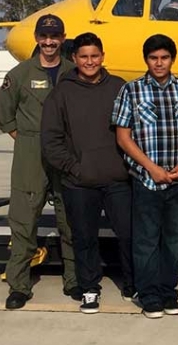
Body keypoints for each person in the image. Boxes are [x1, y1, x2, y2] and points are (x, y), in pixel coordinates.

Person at [41, 32, 132, 314]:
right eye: (84, 57)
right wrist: (74, 168)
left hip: (118, 180)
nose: (90, 61)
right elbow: (50, 140)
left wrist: (128, 165)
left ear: (103, 56)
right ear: (74, 59)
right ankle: (90, 288)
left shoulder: (120, 87)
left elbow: (136, 130)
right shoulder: (62, 93)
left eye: (95, 56)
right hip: (79, 183)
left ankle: (133, 283)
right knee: (84, 237)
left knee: (129, 234)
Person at [0, 13, 78, 310]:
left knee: (70, 219)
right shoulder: (18, 75)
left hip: (66, 154)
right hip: (31, 154)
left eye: (54, 37)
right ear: (37, 39)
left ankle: (74, 281)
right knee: (23, 221)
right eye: (44, 36)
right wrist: (31, 140)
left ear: (62, 39)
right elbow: (4, 116)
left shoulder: (73, 72)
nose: (49, 42)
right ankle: (19, 285)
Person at [112, 34, 178, 319]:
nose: (159, 63)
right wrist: (151, 168)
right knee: (146, 240)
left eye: (164, 58)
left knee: (175, 240)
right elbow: (123, 137)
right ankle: (148, 295)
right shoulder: (132, 91)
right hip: (147, 181)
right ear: (146, 59)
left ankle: (167, 292)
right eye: (153, 58)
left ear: (172, 59)